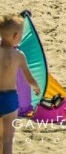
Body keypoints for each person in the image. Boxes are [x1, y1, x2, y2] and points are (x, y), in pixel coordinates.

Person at [0, 14, 41, 153]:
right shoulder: (19, 55)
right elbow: (29, 78)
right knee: (7, 139)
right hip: (10, 100)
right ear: (16, 35)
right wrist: (36, 87)